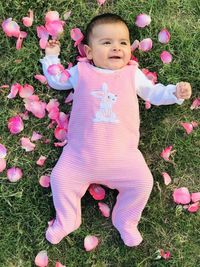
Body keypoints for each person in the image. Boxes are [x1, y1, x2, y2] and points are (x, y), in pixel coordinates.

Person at [40, 13, 192, 246]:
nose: (116, 48)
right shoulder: (82, 72)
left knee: (143, 183)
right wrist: (51, 58)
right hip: (79, 156)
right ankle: (68, 219)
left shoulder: (132, 74)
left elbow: (153, 93)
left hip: (124, 158)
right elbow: (58, 80)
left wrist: (174, 92)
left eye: (122, 42)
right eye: (107, 42)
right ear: (89, 52)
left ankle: (126, 220)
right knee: (61, 179)